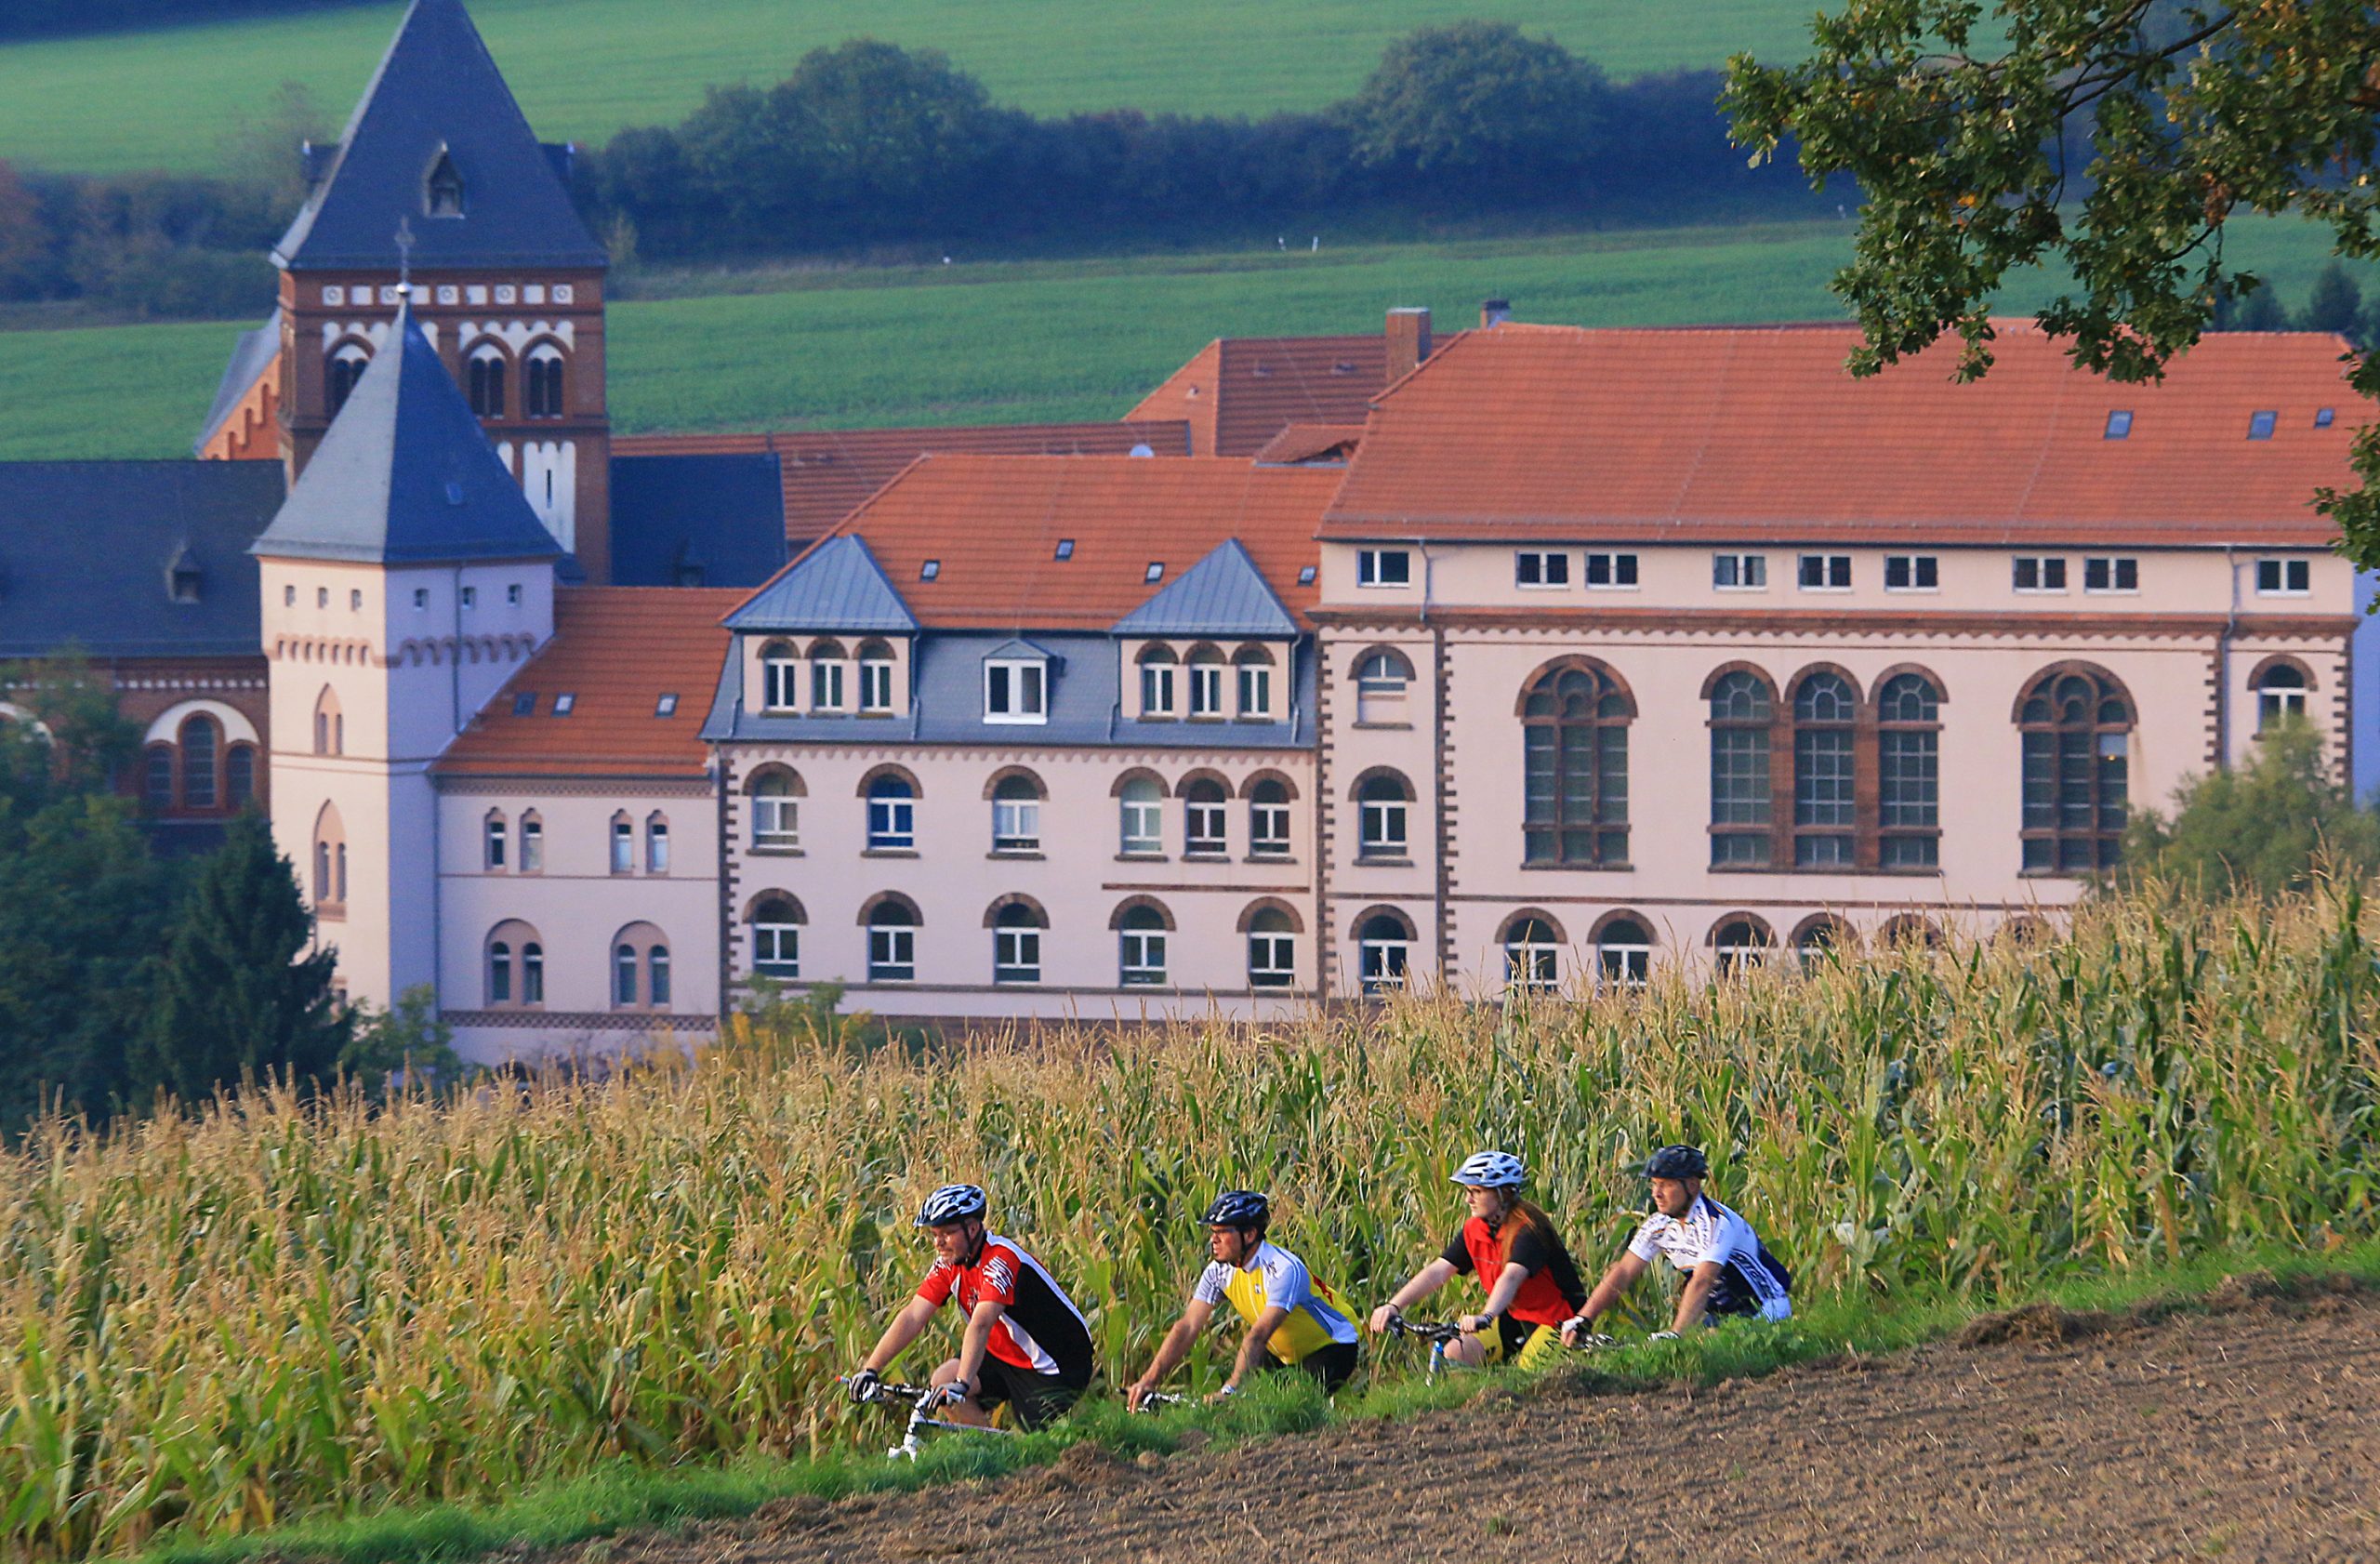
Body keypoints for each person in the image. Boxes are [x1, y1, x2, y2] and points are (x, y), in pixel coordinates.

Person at [847, 1183, 1095, 1430]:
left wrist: (963, 1384)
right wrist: (871, 1369)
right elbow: (913, 1316)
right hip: (1005, 1355)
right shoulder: (949, 1263)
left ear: (973, 1228)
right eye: (934, 1235)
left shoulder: (1000, 1260)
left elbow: (981, 1323)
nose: (938, 1243)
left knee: (1034, 1448)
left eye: (947, 1233)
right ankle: (987, 1449)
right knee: (943, 1381)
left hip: (1054, 1365)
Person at [1126, 1191, 1360, 1408]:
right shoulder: (1218, 1271)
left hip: (1332, 1345)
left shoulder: (1283, 1269)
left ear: (1249, 1234)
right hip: (1282, 1349)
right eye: (1212, 1232)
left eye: (1222, 1232)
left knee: (1285, 1408)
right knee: (1246, 1407)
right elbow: (1187, 1327)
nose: (1213, 1240)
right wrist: (1149, 1380)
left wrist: (1230, 1389)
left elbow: (1258, 1335)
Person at [1366, 1151, 1586, 1372]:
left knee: (1529, 1371)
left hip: (1557, 1320)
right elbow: (1439, 1270)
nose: (1468, 1199)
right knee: (1456, 1352)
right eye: (1468, 1191)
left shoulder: (1529, 1229)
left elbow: (1511, 1277)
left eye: (1477, 1192)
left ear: (1503, 1194)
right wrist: (1394, 1305)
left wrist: (1486, 1316)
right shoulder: (1475, 1229)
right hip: (1513, 1317)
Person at [1561, 1146, 1792, 1345]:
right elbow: (1623, 1272)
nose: (1656, 1194)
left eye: (1666, 1185)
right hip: (1721, 1314)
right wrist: (1584, 1319)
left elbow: (1703, 1280)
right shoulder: (1658, 1224)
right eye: (1654, 1185)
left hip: (1764, 1308)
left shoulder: (1716, 1223)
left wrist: (1676, 1334)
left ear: (1692, 1185)